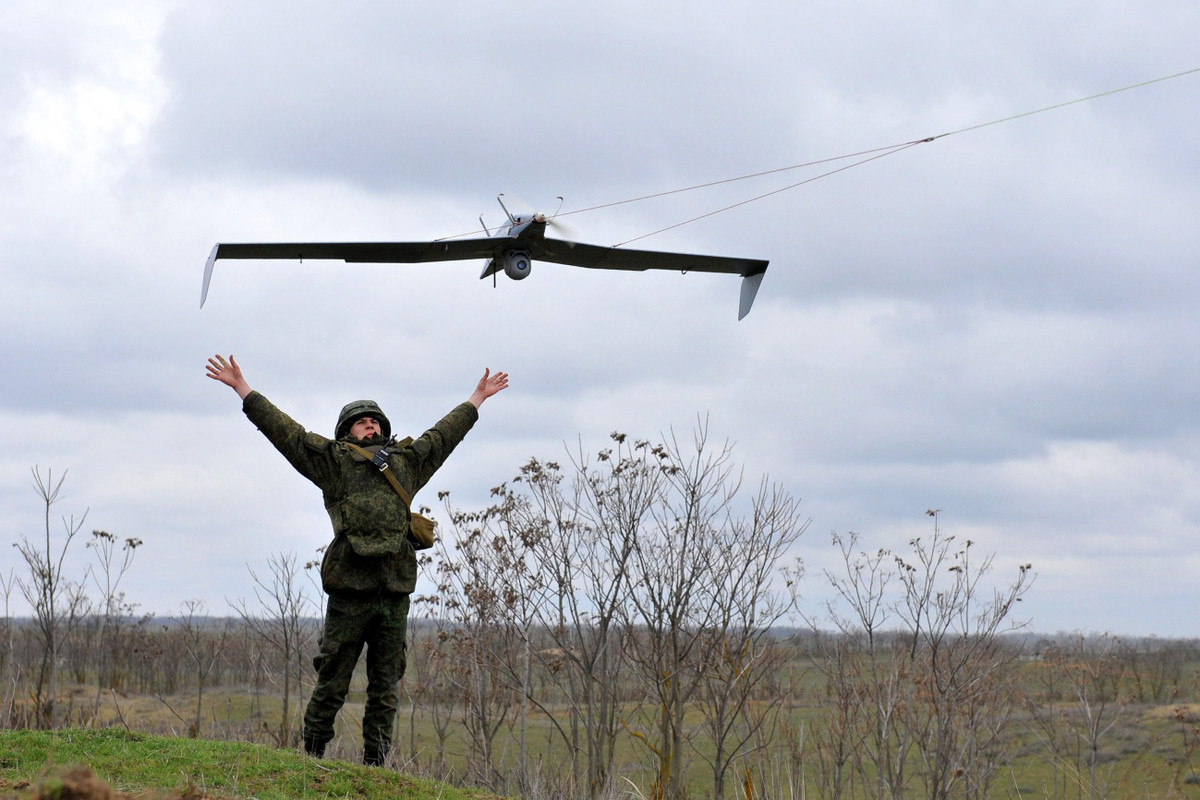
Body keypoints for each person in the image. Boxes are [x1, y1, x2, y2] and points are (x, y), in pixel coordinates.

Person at [206, 353, 509, 766]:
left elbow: (442, 436)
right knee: (332, 682)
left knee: (385, 689)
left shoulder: (405, 463)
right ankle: (310, 759)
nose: (372, 424)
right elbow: (288, 435)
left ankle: (376, 769)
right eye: (363, 420)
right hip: (350, 594)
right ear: (347, 430)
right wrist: (244, 389)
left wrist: (477, 398)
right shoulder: (333, 464)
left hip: (393, 595)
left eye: (376, 420)